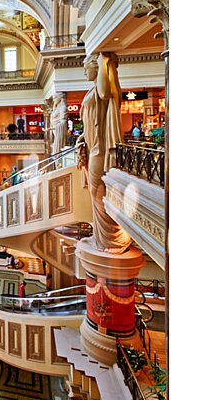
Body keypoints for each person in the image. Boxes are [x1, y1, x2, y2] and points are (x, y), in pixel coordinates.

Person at [77, 53, 132, 253]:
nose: (84, 71)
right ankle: (101, 237)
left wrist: (103, 63)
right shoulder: (92, 89)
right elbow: (89, 122)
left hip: (100, 148)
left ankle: (112, 238)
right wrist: (82, 137)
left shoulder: (99, 88)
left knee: (99, 192)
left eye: (86, 67)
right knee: (95, 193)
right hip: (92, 145)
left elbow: (105, 93)